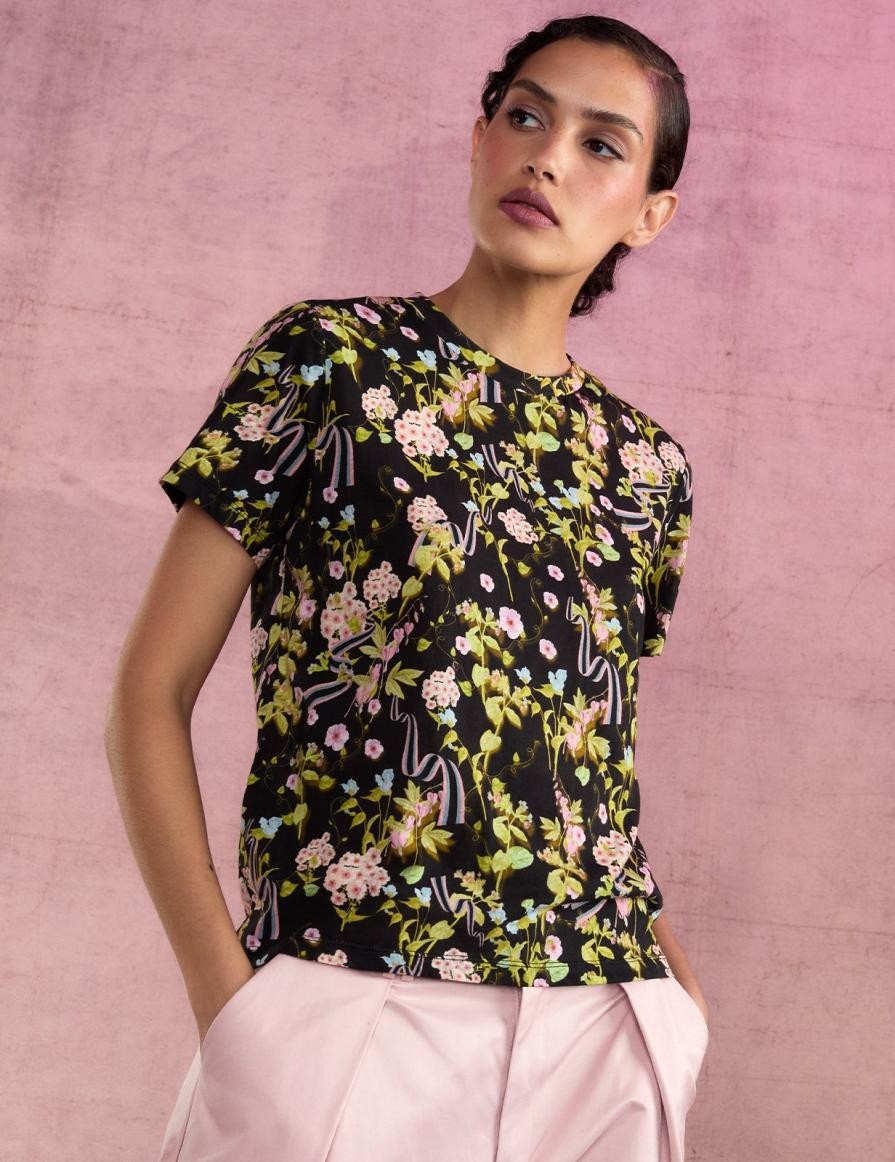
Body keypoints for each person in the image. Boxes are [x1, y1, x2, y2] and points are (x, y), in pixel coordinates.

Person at [105, 13, 708, 1162]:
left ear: (648, 213)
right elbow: (150, 691)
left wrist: (672, 1000)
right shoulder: (326, 362)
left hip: (603, 1020)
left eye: (599, 144)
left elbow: (585, 754)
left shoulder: (647, 467)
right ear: (479, 141)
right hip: (349, 989)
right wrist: (229, 1008)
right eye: (524, 116)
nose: (546, 157)